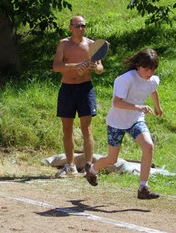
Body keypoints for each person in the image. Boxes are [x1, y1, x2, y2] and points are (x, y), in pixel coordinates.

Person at [84, 48, 163, 200]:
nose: (149, 73)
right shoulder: (125, 79)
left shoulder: (152, 80)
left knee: (148, 146)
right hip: (117, 122)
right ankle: (92, 169)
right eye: (146, 69)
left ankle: (143, 188)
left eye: (152, 69)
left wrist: (158, 107)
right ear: (138, 65)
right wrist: (138, 107)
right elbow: (117, 102)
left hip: (135, 120)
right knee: (112, 159)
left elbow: (153, 90)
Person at [52, 15, 104, 177]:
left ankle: (89, 166)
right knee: (67, 128)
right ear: (70, 27)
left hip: (85, 89)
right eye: (77, 26)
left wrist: (95, 67)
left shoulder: (91, 45)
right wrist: (77, 66)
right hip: (67, 89)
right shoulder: (63, 44)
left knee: (86, 128)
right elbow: (56, 67)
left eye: (83, 25)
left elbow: (101, 68)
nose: (80, 29)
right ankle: (70, 165)